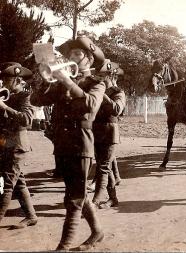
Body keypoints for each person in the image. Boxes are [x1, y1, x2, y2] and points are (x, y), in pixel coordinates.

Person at [31, 36, 106, 251]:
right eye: (70, 54)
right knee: (78, 191)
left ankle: (63, 247)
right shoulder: (60, 81)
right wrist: (46, 81)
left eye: (77, 54)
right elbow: (37, 101)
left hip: (82, 145)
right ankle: (97, 231)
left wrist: (67, 81)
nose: (71, 57)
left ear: (89, 60)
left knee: (74, 199)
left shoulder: (97, 82)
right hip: (63, 145)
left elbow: (90, 106)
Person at [0, 62, 38, 229]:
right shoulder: (7, 95)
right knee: (18, 182)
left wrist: (3, 106)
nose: (4, 83)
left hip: (17, 145)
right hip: (6, 144)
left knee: (8, 185)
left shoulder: (25, 95)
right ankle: (31, 216)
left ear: (16, 80)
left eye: (7, 80)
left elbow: (26, 120)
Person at [91, 59, 126, 209]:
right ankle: (113, 199)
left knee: (103, 167)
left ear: (110, 76)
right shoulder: (96, 89)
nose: (99, 78)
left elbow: (117, 109)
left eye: (102, 76)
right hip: (96, 132)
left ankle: (95, 201)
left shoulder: (118, 92)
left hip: (110, 133)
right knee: (104, 165)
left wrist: (102, 95)